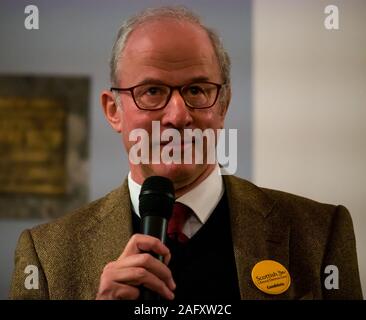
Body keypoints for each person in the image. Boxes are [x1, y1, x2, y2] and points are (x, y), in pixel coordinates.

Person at [10, 6, 362, 300]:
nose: (178, 115)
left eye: (196, 89)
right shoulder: (45, 256)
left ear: (222, 104)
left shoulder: (317, 233)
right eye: (151, 91)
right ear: (113, 110)